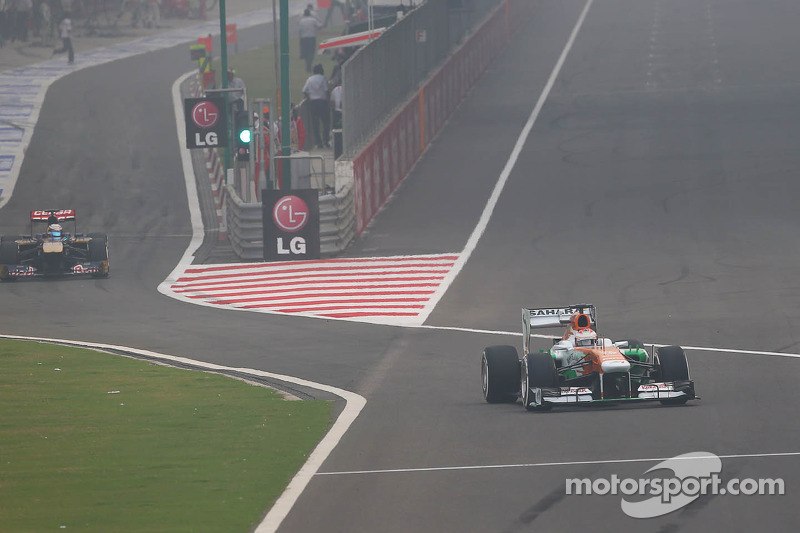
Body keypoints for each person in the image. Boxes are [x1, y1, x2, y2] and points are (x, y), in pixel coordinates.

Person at [302, 64, 330, 148]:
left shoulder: (310, 79)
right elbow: (326, 91)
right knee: (326, 123)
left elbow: (304, 90)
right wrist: (328, 101)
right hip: (323, 102)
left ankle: (318, 142)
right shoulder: (323, 78)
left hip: (313, 102)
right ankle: (326, 140)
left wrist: (309, 97)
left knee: (315, 123)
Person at [298, 7, 321, 73]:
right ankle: (309, 64)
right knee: (311, 52)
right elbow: (319, 26)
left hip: (304, 38)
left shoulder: (301, 21)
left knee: (306, 52)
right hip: (311, 38)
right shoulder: (313, 20)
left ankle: (307, 65)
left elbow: (300, 30)